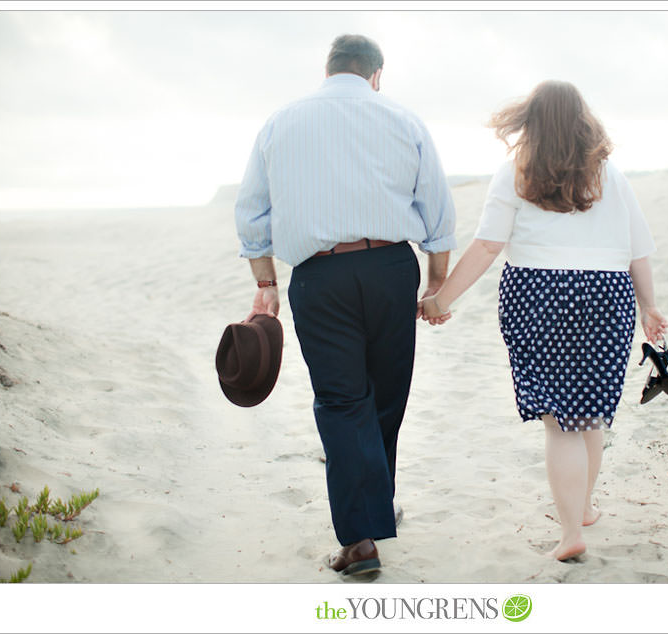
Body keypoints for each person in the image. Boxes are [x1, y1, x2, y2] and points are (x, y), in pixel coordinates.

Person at [234, 34, 456, 576]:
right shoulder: (405, 120)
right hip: (391, 271)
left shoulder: (280, 122)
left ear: (328, 69)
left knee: (339, 400)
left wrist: (264, 282)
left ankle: (361, 537)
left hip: (318, 276)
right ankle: (372, 511)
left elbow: (251, 211)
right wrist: (435, 285)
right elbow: (438, 213)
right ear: (376, 74)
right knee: (385, 395)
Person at [420, 80, 667, 561]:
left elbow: (488, 245)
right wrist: (648, 306)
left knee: (560, 423)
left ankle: (571, 530)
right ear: (582, 120)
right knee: (588, 411)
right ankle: (585, 507)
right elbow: (639, 251)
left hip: (539, 296)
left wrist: (440, 298)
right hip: (606, 298)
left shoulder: (516, 172)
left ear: (530, 121)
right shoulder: (610, 175)